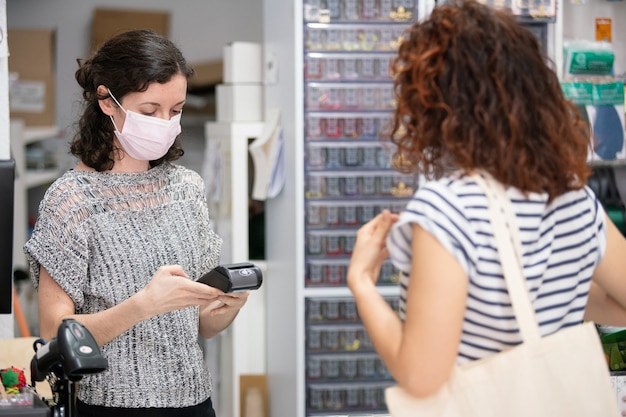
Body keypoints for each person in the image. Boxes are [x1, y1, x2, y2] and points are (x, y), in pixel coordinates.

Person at [347, 0, 626, 401]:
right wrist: (547, 291)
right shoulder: (575, 196)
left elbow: (422, 375)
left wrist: (362, 283)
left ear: (434, 105)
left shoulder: (446, 210)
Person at [24, 29, 249, 417]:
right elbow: (53, 335)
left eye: (175, 110)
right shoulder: (72, 199)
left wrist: (227, 307)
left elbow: (200, 327)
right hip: (110, 407)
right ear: (107, 101)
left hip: (194, 401)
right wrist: (143, 305)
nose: (165, 122)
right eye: (149, 111)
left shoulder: (187, 189)